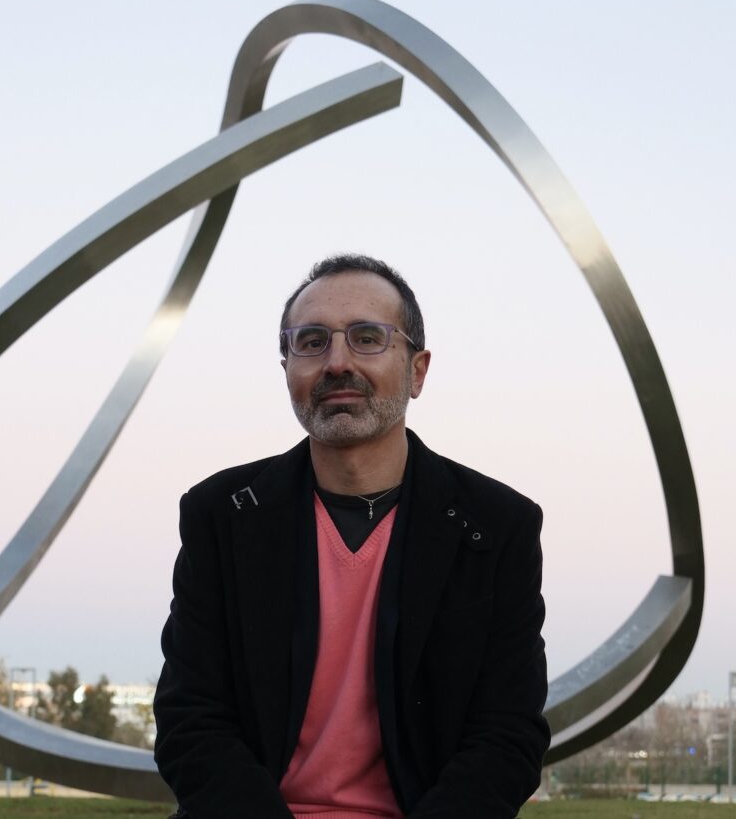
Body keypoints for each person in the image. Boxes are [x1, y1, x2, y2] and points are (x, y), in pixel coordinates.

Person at [154, 254, 549, 818]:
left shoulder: (497, 525)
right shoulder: (222, 515)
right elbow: (190, 719)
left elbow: (507, 734)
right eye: (312, 342)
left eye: (367, 338)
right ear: (286, 368)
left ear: (417, 371)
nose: (337, 363)